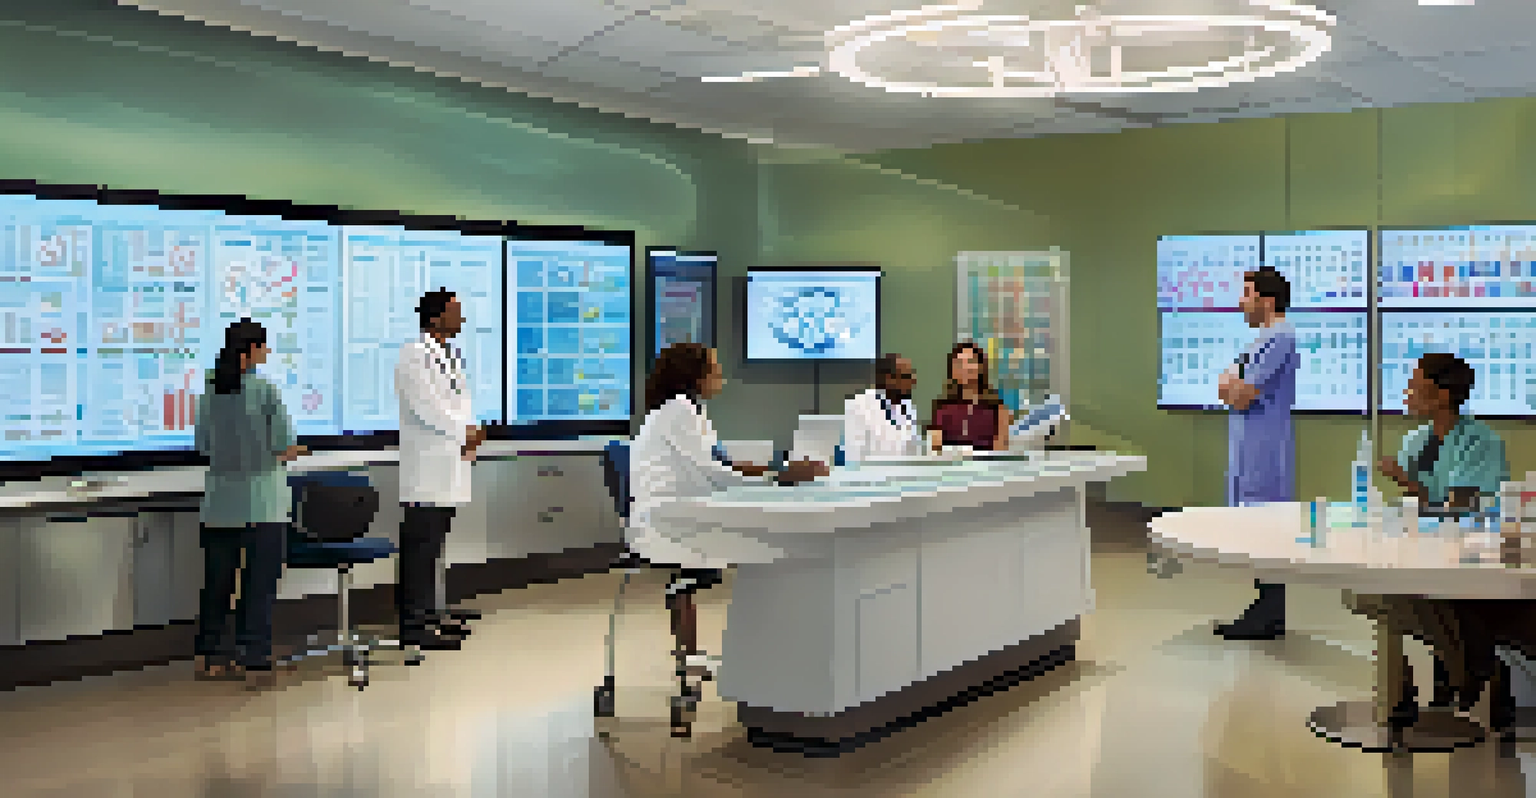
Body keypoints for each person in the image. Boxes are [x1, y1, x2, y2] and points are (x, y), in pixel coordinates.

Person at [630, 342, 827, 736]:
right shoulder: (678, 411)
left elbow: (716, 463)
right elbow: (715, 471)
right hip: (665, 519)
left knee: (756, 546)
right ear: (695, 376)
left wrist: (775, 470)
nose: (721, 374)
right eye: (715, 368)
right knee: (764, 550)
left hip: (683, 510)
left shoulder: (691, 410)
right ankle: (755, 662)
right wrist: (778, 475)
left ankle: (727, 658)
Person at [1353, 353, 1510, 728]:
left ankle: (1469, 675)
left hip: (1470, 553)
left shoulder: (1480, 443)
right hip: (1423, 547)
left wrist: (1406, 482)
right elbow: (1414, 505)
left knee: (1406, 599)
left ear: (1441, 395)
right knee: (1372, 593)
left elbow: (1464, 507)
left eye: (1414, 383)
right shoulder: (1417, 439)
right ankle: (1428, 680)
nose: (1406, 392)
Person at [194, 319, 307, 688]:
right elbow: (282, 447)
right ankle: (254, 658)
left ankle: (210, 656)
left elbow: (203, 446)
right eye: (264, 346)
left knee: (217, 585)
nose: (267, 353)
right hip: (262, 503)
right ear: (250, 351)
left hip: (220, 503)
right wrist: (295, 450)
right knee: (258, 586)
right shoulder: (264, 391)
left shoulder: (210, 390)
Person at [395, 289, 487, 651]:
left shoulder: (448, 354)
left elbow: (459, 404)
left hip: (450, 461)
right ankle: (414, 627)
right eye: (455, 312)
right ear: (435, 317)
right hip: (427, 468)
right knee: (420, 550)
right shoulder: (414, 355)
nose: (461, 318)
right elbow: (425, 407)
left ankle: (431, 616)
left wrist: (473, 432)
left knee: (433, 548)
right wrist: (464, 432)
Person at [1214, 266, 1299, 641]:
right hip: (1251, 449)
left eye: (1246, 294)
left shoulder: (1280, 338)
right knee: (1256, 530)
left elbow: (1240, 393)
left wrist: (1232, 385)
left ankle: (1268, 613)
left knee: (1267, 531)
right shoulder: (1259, 341)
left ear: (1267, 300)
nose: (1240, 302)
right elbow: (1226, 388)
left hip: (1265, 453)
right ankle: (1265, 609)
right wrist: (1231, 385)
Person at [930, 342, 1012, 451]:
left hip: (986, 466)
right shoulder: (941, 407)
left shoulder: (997, 408)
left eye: (970, 361)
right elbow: (935, 448)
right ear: (952, 371)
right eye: (959, 363)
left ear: (981, 367)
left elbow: (1000, 451)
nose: (965, 367)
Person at [842, 353, 921, 463]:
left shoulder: (908, 407)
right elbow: (853, 457)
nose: (914, 381)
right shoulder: (859, 406)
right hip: (870, 476)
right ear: (889, 379)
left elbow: (913, 452)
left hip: (903, 476)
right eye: (907, 376)